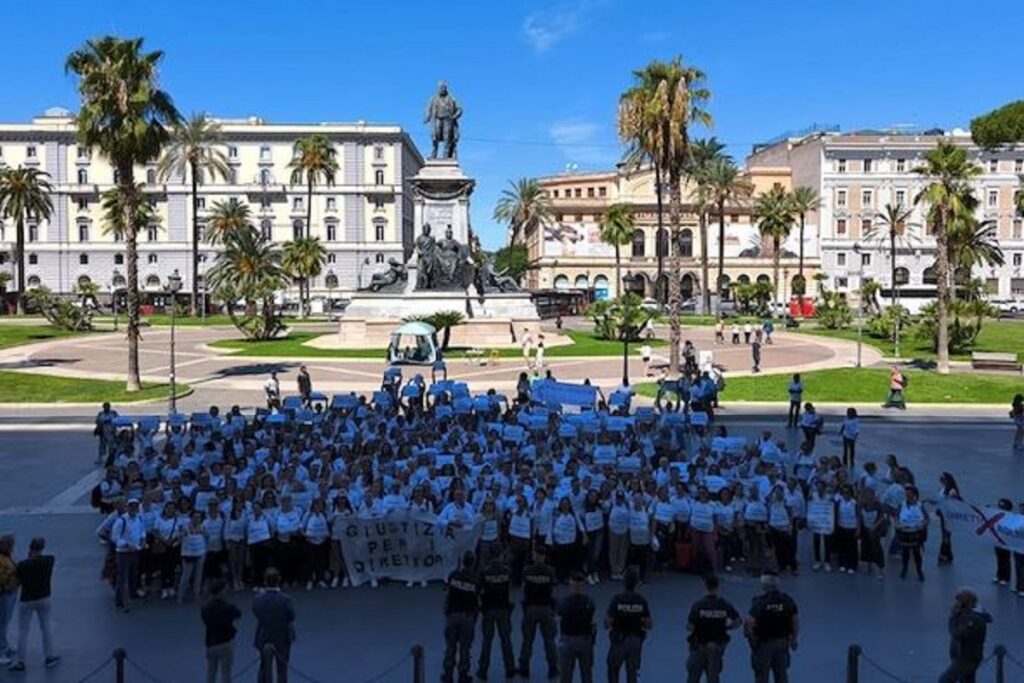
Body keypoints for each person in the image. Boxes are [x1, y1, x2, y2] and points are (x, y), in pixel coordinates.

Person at [6, 538, 58, 673]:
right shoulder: (49, 560)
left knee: (23, 630)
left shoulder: (23, 565)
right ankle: (49, 656)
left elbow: (17, 579)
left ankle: (21, 661)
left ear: (30, 548)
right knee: (46, 627)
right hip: (44, 597)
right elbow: (44, 559)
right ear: (43, 547)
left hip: (27, 599)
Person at [686, 573, 741, 683]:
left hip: (699, 645)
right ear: (717, 587)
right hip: (717, 646)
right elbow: (738, 621)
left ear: (705, 586)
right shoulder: (724, 604)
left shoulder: (698, 605)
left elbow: (690, 626)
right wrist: (727, 627)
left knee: (693, 677)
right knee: (713, 677)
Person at [746, 572, 798, 683]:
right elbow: (795, 620)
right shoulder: (787, 600)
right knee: (781, 675)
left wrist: (752, 640)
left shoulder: (759, 602)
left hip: (764, 644)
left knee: (761, 676)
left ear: (764, 585)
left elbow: (750, 623)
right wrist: (793, 638)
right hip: (782, 643)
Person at [518, 547, 559, 680]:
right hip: (546, 608)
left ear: (536, 556)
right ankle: (553, 668)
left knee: (527, 640)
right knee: (549, 640)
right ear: (545, 556)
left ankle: (524, 667)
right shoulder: (550, 571)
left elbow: (523, 588)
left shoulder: (527, 571)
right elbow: (553, 587)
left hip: (530, 608)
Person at [605, 570, 651, 683]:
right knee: (632, 672)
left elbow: (608, 623)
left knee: (613, 669)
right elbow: (649, 624)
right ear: (636, 583)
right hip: (635, 641)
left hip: (619, 641)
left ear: (623, 582)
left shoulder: (617, 599)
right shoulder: (641, 600)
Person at [938, 588, 991, 683]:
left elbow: (957, 634)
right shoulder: (966, 615)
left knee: (944, 680)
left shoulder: (974, 619)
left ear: (965, 603)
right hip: (963, 656)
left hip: (967, 658)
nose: (956, 603)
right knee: (967, 680)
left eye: (958, 601)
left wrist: (953, 617)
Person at [252, 568, 295, 683]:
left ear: (265, 581)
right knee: (282, 669)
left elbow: (256, 613)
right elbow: (291, 616)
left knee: (263, 667)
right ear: (279, 580)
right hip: (283, 636)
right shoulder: (286, 600)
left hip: (264, 636)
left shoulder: (258, 599)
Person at [477, 555, 516, 681]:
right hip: (503, 609)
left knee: (487, 640)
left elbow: (478, 590)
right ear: (500, 555)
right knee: (506, 639)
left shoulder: (484, 572)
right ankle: (510, 668)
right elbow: (510, 586)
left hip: (488, 610)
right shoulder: (507, 571)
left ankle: (483, 669)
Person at [442, 551, 479, 683]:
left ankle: (448, 673)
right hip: (467, 616)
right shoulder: (476, 579)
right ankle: (463, 674)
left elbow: (447, 595)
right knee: (465, 647)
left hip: (452, 615)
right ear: (474, 563)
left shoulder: (453, 576)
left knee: (450, 645)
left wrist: (446, 611)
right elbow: (478, 599)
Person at [557, 571, 596, 683]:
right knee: (586, 674)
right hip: (585, 641)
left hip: (568, 641)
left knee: (565, 675)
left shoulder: (563, 602)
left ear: (570, 583)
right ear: (582, 584)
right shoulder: (589, 602)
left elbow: (559, 613)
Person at [201, 579, 241, 683]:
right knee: (226, 674)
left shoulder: (205, 608)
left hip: (210, 643)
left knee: (211, 673)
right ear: (221, 591)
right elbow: (238, 615)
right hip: (225, 643)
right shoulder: (228, 607)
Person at [113, 499, 146, 612]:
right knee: (122, 577)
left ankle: (133, 594)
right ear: (127, 507)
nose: (133, 509)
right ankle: (119, 601)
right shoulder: (121, 521)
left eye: (135, 506)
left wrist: (142, 541)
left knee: (133, 574)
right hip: (123, 553)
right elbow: (115, 537)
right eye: (131, 506)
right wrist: (126, 544)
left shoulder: (139, 519)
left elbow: (142, 531)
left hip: (135, 551)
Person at [896, 486, 929, 581]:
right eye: (906, 493)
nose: (907, 495)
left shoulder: (919, 505)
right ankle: (904, 569)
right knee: (905, 553)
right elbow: (897, 517)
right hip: (905, 532)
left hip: (915, 532)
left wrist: (921, 525)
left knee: (916, 553)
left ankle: (919, 571)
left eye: (909, 493)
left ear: (914, 494)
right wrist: (898, 525)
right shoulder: (901, 504)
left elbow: (927, 519)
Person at [0, 536, 16, 666]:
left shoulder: (6, 556)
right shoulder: (2, 559)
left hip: (9, 593)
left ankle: (4, 646)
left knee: (5, 621)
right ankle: (1, 651)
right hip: (4, 594)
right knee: (2, 623)